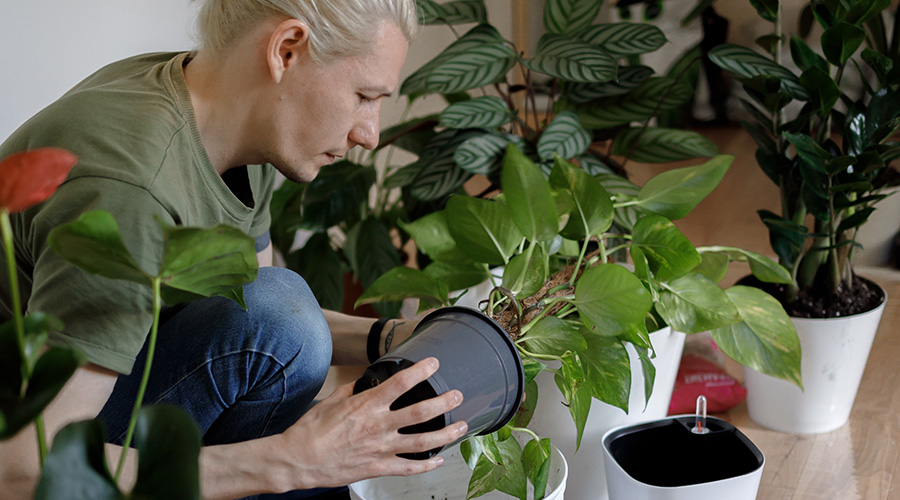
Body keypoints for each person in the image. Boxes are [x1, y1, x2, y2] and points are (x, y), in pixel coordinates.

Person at [0, 1, 467, 499]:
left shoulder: (238, 121)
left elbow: (249, 313)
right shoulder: (133, 193)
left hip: (89, 395)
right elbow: (24, 469)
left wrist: (387, 338)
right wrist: (291, 463)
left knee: (284, 322)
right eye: (363, 96)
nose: (369, 134)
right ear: (286, 51)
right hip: (27, 444)